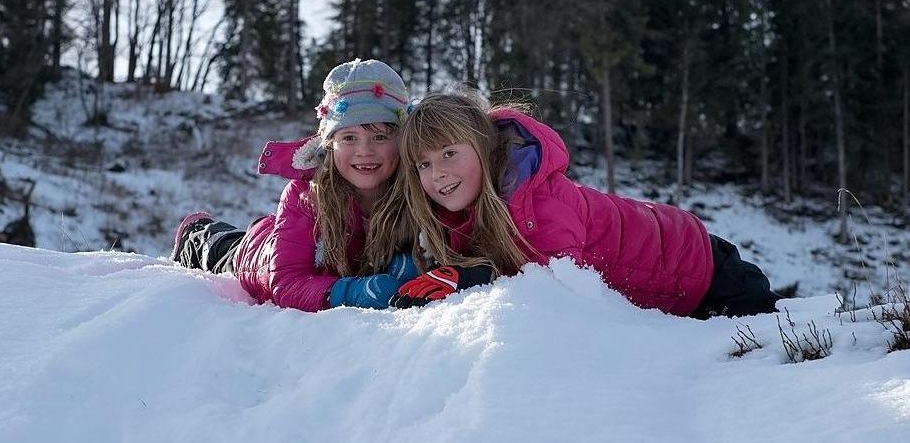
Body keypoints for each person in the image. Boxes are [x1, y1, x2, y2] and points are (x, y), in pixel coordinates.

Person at [390, 90, 781, 319]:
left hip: (708, 271)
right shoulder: (464, 213)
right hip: (675, 281)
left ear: (483, 146)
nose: (436, 172)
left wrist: (474, 279)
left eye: (448, 154)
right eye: (423, 163)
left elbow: (558, 288)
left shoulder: (538, 203)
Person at [169, 59, 418, 312]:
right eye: (349, 138)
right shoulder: (307, 196)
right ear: (329, 145)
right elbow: (286, 281)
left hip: (285, 237)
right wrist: (350, 292)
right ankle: (196, 233)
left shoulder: (419, 189)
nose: (365, 151)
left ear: (402, 140)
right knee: (226, 249)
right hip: (260, 258)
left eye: (380, 137)